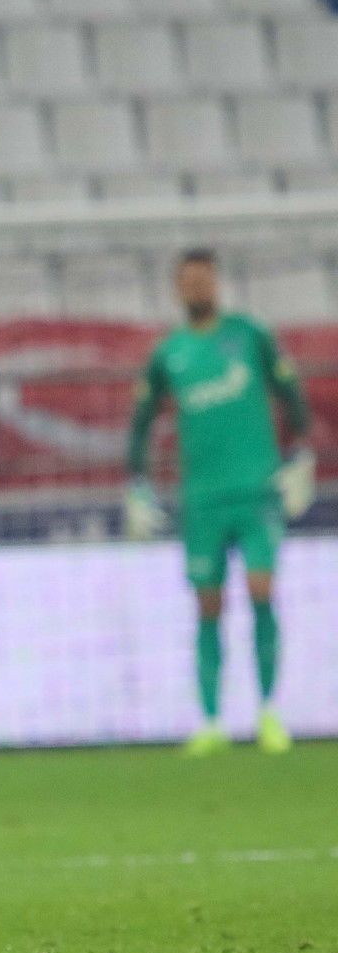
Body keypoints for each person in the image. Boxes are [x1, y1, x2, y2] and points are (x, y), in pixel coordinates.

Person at [126, 248, 313, 757]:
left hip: (256, 491)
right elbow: (141, 422)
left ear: (216, 283)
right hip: (202, 499)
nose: (197, 288)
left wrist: (301, 454)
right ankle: (210, 720)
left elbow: (290, 393)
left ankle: (269, 711)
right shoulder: (170, 353)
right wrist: (136, 484)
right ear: (176, 288)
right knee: (208, 604)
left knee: (261, 588)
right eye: (187, 281)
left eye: (203, 279)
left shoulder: (250, 336)